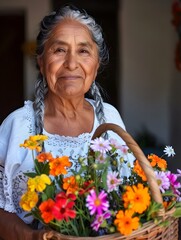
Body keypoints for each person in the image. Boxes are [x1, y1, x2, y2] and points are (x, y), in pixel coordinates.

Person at [0, 5, 133, 240]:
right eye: (60, 50)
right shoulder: (17, 126)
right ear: (41, 62)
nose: (71, 63)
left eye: (83, 51)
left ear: (97, 64)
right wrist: (35, 237)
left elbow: (132, 191)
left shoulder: (110, 118)